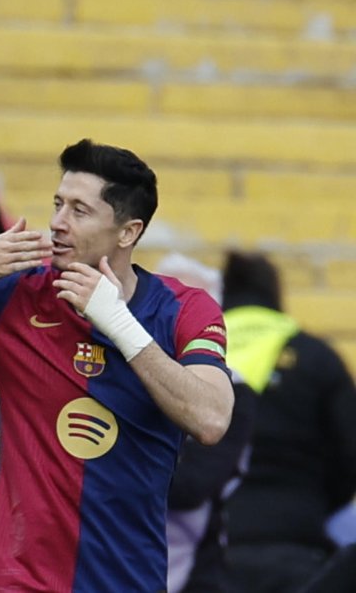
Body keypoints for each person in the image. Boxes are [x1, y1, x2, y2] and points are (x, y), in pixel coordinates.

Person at [0, 138, 234, 592]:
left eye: (79, 211)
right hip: (12, 581)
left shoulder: (184, 308)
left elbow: (210, 419)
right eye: (57, 204)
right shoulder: (19, 293)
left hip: (125, 581)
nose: (57, 223)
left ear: (128, 232)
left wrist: (120, 326)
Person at [219, 251, 356, 593]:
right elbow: (349, 456)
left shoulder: (192, 359)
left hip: (212, 552)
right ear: (276, 296)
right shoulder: (317, 357)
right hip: (297, 544)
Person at [152, 254, 258, 593]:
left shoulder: (235, 391)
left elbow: (191, 487)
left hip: (191, 565)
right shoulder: (116, 373)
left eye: (201, 314)